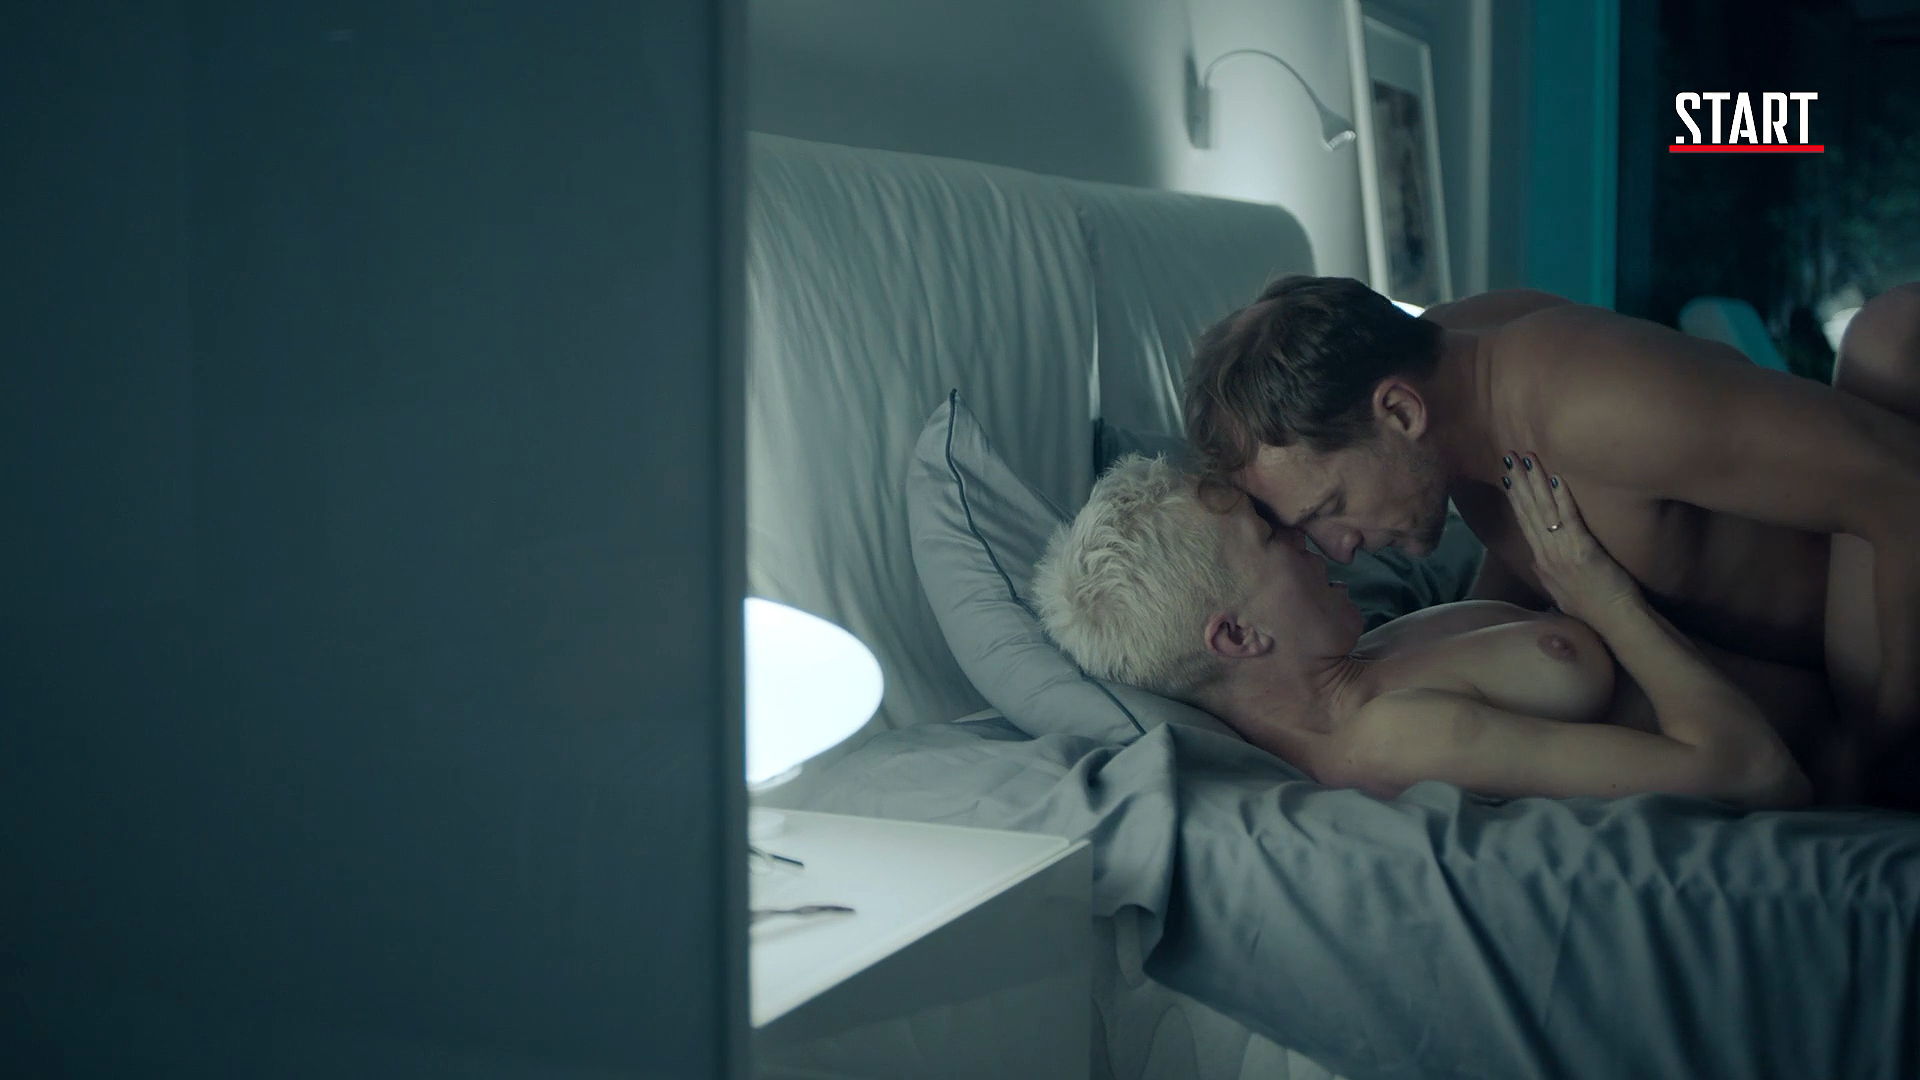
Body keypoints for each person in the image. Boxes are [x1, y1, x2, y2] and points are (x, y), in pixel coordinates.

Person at [1181, 276, 1920, 806]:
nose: (1339, 549)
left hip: (1870, 660)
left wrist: (1878, 756)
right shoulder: (1447, 365)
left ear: (1400, 413)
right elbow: (1526, 554)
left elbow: (1907, 492)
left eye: (1332, 508)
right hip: (1778, 664)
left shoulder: (1593, 406)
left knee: (1893, 334)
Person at [1033, 454, 1810, 809]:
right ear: (1237, 638)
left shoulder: (1363, 661)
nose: (1305, 537)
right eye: (1271, 538)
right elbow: (1752, 774)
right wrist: (1603, 597)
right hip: (1841, 759)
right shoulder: (1391, 742)